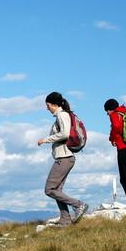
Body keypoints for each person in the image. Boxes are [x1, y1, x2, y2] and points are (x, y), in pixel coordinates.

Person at [38, 92, 89, 226]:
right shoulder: (62, 115)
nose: (47, 108)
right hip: (65, 157)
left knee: (49, 189)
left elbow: (65, 134)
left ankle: (79, 205)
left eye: (47, 105)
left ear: (53, 104)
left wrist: (45, 140)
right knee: (57, 190)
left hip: (64, 158)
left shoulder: (62, 115)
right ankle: (65, 220)